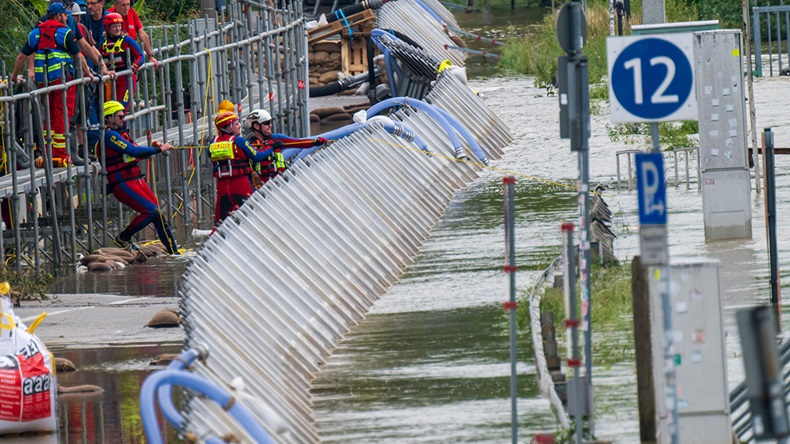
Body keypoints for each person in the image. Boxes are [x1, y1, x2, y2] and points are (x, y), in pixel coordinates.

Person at [10, 2, 103, 166]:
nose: (67, 17)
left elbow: (21, 57)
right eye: (65, 15)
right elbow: (79, 56)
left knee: (49, 116)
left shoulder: (35, 33)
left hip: (43, 82)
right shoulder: (64, 33)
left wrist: (14, 76)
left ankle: (48, 152)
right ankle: (61, 154)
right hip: (62, 81)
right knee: (62, 116)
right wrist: (89, 74)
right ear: (58, 15)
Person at [97, 100, 179, 254]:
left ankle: (174, 253)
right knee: (150, 211)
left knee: (158, 215)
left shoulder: (123, 134)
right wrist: (160, 149)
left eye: (124, 117)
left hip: (136, 179)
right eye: (120, 117)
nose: (123, 119)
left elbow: (137, 151)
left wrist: (153, 147)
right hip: (122, 183)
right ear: (109, 118)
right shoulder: (110, 136)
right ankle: (123, 237)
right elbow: (133, 152)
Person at [209, 110, 275, 226]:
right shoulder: (239, 140)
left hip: (222, 186)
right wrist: (272, 148)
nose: (240, 126)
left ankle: (212, 242)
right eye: (236, 124)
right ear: (229, 128)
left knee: (219, 223)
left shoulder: (212, 143)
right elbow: (258, 157)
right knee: (256, 214)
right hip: (240, 183)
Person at [245, 108, 327, 188]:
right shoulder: (248, 144)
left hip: (280, 183)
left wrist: (315, 142)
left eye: (270, 122)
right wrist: (272, 147)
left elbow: (298, 143)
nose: (270, 125)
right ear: (256, 126)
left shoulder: (276, 139)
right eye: (266, 123)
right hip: (261, 188)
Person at [100, 12, 144, 109]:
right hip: (110, 80)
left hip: (126, 79)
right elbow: (97, 58)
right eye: (114, 26)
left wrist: (134, 66)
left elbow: (141, 56)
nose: (118, 29)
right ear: (108, 27)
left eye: (119, 26)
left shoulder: (127, 40)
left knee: (120, 110)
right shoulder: (103, 43)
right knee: (109, 111)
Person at [107, 0, 158, 68]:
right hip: (114, 55)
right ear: (115, 5)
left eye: (128, 4)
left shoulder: (132, 12)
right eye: (123, 5)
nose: (126, 8)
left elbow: (142, 34)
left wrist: (150, 56)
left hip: (131, 53)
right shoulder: (109, 14)